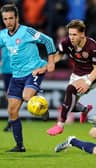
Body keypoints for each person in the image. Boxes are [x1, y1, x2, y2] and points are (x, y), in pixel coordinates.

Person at [0, 4, 56, 152]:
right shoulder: (3, 35)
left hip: (34, 71)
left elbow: (48, 41)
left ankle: (43, 109)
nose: (8, 22)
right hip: (16, 76)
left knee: (27, 96)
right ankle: (20, 146)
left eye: (11, 18)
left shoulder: (27, 32)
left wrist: (50, 62)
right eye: (5, 19)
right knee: (12, 110)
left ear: (17, 18)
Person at [46, 19, 96, 136]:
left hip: (92, 76)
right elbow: (59, 55)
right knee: (69, 104)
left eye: (74, 34)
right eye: (70, 34)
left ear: (82, 34)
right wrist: (49, 64)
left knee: (70, 90)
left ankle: (60, 125)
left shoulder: (93, 47)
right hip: (76, 74)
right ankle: (85, 110)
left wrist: (87, 82)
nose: (71, 37)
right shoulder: (66, 43)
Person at [0, 47, 12, 132]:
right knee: (9, 97)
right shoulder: (2, 38)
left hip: (16, 71)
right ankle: (11, 121)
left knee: (13, 97)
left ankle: (11, 121)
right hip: (5, 71)